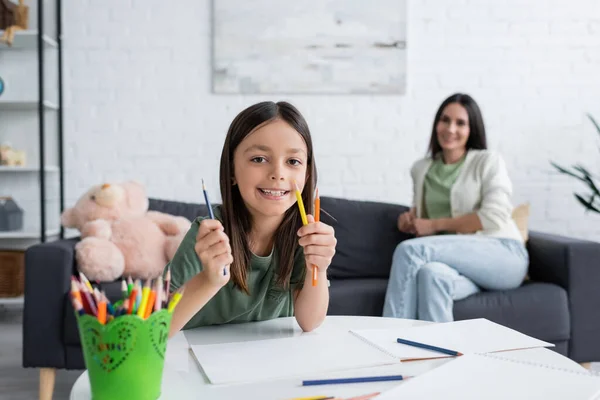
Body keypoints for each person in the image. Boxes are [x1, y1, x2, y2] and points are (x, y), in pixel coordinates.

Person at [167, 101, 336, 337]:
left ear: (307, 174)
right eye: (258, 159)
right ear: (232, 170)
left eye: (293, 161)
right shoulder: (209, 233)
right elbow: (156, 327)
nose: (278, 173)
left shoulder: (303, 234)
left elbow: (310, 322)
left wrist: (319, 266)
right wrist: (209, 280)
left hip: (267, 363)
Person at [383, 93, 528, 323]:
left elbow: (494, 215)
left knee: (409, 251)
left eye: (460, 123)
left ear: (472, 129)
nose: (450, 129)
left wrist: (433, 225)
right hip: (455, 262)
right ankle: (441, 355)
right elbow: (424, 220)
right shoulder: (421, 169)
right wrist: (409, 221)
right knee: (431, 275)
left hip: (502, 254)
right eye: (445, 120)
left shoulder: (487, 161)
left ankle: (389, 343)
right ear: (436, 124)